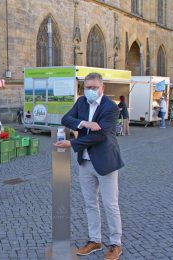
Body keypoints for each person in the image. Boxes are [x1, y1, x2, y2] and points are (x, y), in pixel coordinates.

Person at [54, 73, 124, 260]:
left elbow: (100, 135)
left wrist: (72, 144)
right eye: (87, 87)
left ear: (102, 88)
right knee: (90, 203)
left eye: (93, 87)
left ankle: (116, 244)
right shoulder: (81, 102)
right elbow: (65, 119)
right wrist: (84, 123)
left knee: (110, 204)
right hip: (85, 161)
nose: (90, 91)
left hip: (106, 161)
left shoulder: (111, 108)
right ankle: (95, 240)